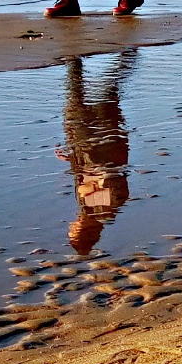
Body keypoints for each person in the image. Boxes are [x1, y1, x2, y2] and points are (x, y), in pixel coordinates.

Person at [57, 52, 134, 254]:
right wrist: (92, 184)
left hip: (83, 145)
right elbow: (113, 182)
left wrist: (71, 158)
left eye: (71, 230)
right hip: (102, 141)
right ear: (85, 231)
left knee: (76, 94)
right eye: (74, 230)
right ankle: (128, 55)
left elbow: (85, 179)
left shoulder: (88, 209)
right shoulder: (105, 212)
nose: (71, 225)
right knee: (107, 94)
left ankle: (74, 54)